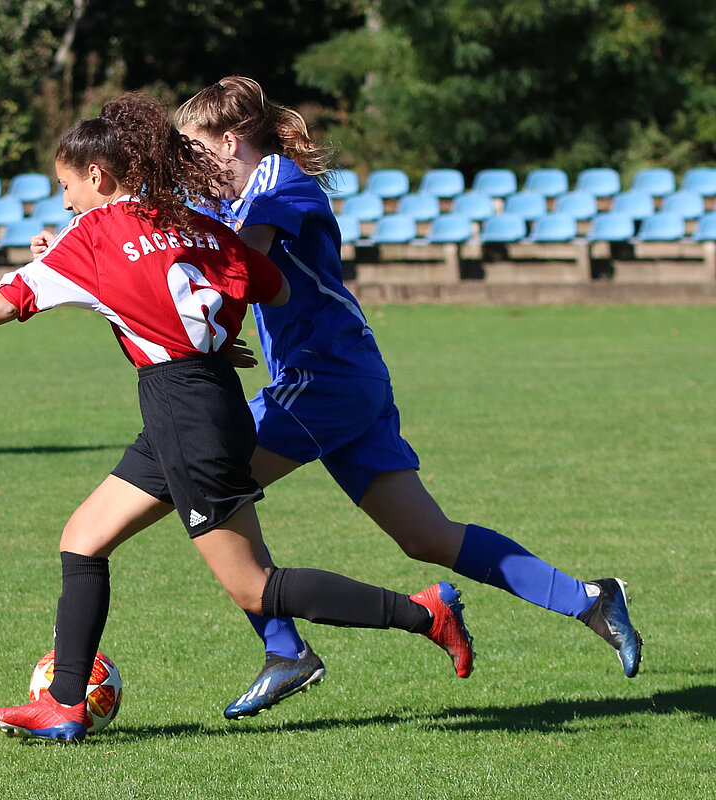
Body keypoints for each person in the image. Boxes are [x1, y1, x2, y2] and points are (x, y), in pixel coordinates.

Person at [0, 93, 474, 743]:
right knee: (83, 538)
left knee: (253, 586)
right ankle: (65, 702)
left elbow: (11, 298)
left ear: (97, 178)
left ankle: (422, 613)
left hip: (185, 412)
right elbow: (274, 285)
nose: (65, 202)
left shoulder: (94, 233)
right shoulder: (186, 220)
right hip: (202, 400)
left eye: (66, 188)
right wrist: (208, 337)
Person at [167, 76, 642, 719]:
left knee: (208, 485)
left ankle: (285, 649)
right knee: (427, 536)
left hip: (323, 383)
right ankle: (591, 599)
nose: (189, 168)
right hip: (341, 379)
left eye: (193, 151)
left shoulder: (275, 179)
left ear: (229, 141)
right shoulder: (238, 200)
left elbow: (240, 264)